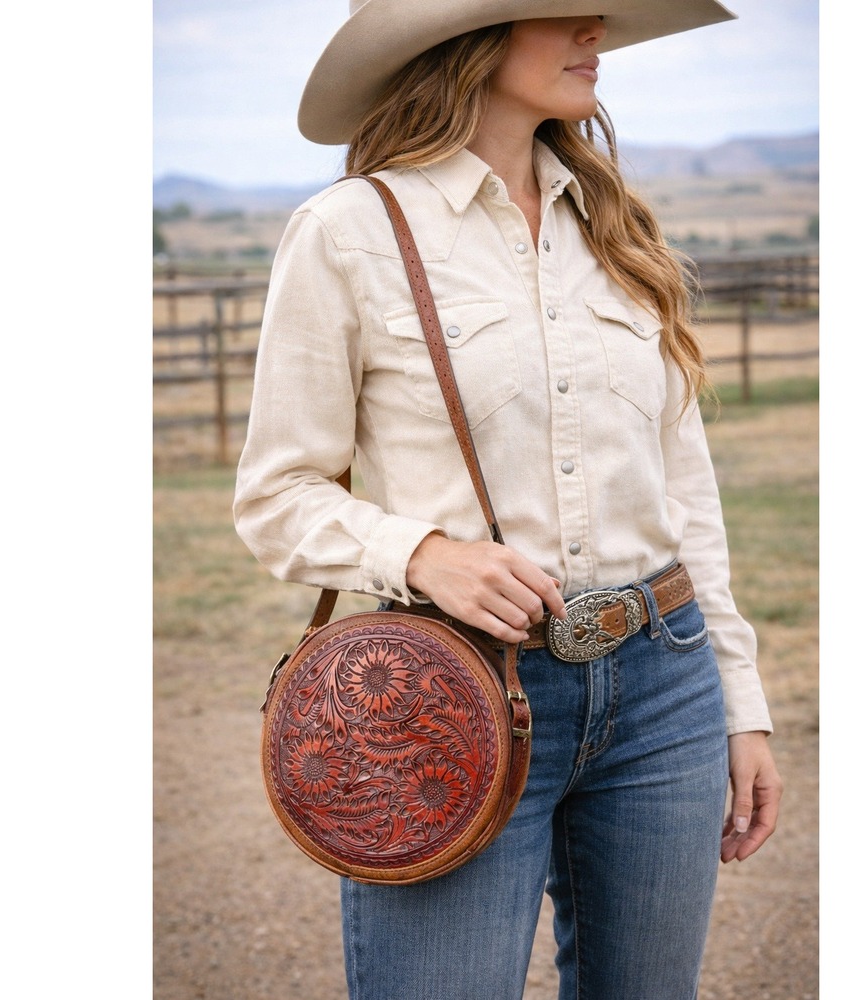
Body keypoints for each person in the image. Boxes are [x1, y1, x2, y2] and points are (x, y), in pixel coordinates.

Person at [234, 2, 783, 997]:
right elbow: (275, 496)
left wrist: (738, 702)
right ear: (467, 44)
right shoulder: (348, 232)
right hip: (452, 697)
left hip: (663, 683)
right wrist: (420, 553)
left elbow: (685, 493)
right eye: (561, 11)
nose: (596, 29)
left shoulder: (613, 224)